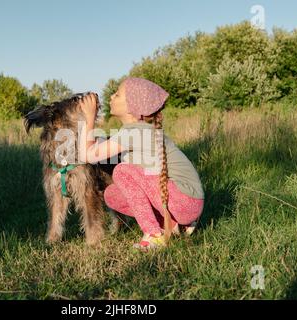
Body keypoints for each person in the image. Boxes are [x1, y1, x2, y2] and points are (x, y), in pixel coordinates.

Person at [79, 77, 204, 250]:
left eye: (117, 94)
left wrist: (89, 118)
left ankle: (154, 234)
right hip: (183, 203)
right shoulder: (136, 131)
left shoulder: (134, 132)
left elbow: (89, 155)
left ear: (132, 107)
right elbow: (99, 148)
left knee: (122, 171)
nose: (112, 97)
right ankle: (175, 224)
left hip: (185, 200)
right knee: (112, 194)